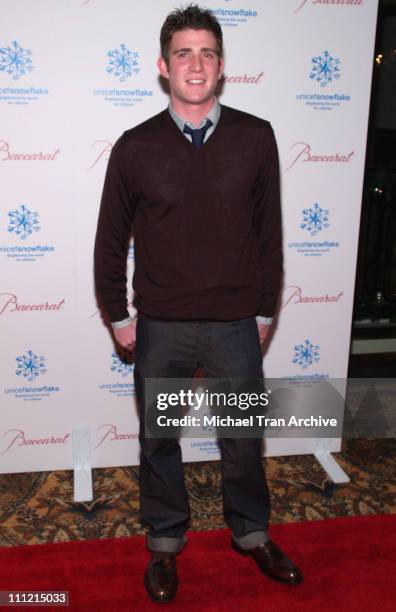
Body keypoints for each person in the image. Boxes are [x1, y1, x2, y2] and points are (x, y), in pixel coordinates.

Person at [94, 4, 303, 604]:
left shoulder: (256, 136)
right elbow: (111, 240)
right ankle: (164, 542)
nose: (196, 62)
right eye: (183, 52)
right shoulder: (135, 147)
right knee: (160, 439)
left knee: (242, 437)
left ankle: (253, 534)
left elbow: (270, 233)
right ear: (164, 67)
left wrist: (266, 311)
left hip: (237, 320)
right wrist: (117, 316)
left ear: (221, 67)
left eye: (207, 51)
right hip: (161, 323)